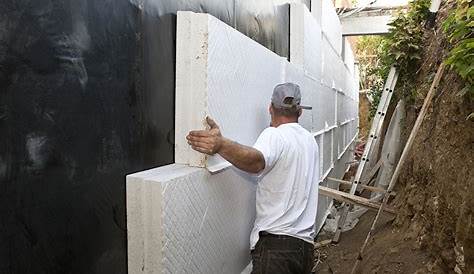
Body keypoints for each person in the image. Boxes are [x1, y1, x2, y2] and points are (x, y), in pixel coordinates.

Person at [186, 82, 320, 274]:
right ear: (300, 112)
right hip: (304, 250)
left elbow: (256, 161)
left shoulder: (274, 135)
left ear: (270, 108)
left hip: (277, 250)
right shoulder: (309, 141)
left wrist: (221, 145)